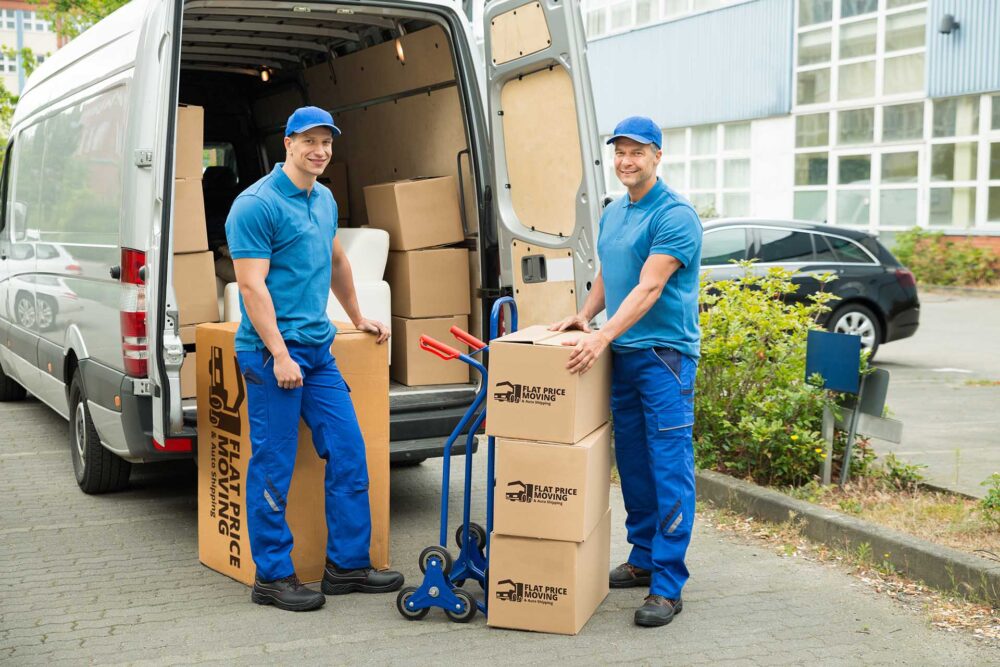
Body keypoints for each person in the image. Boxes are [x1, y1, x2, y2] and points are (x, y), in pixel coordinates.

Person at [226, 106, 404, 611]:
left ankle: (346, 566)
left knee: (349, 451)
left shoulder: (323, 199)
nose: (319, 150)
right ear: (287, 142)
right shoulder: (255, 206)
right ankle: (273, 577)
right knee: (273, 465)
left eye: (326, 142)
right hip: (269, 356)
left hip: (318, 352)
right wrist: (280, 354)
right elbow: (250, 285)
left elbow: (337, 261)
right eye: (309, 141)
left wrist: (358, 315)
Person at [551, 116, 702, 627]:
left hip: (664, 358)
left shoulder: (675, 215)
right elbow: (609, 275)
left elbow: (649, 287)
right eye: (619, 152)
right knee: (634, 465)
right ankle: (642, 559)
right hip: (625, 356)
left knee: (669, 467)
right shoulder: (615, 213)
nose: (626, 161)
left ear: (658, 156)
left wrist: (601, 336)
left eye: (637, 152)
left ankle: (667, 583)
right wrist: (586, 313)